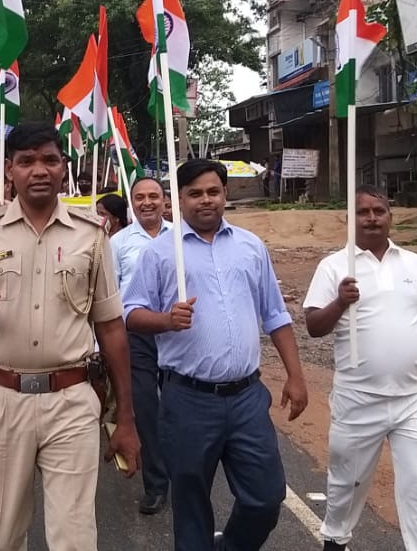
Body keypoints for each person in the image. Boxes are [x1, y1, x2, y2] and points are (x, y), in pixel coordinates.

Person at [0, 121, 141, 551]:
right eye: (27, 161)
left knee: (75, 539)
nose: (39, 170)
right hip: (0, 398)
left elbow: (110, 327)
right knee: (2, 536)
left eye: (50, 160)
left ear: (63, 167)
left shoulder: (92, 234)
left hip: (72, 400)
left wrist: (125, 418)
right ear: (9, 169)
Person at [122, 158, 308, 551]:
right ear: (179, 200)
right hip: (187, 399)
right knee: (191, 503)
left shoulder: (250, 247)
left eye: (213, 192)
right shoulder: (160, 253)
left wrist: (295, 374)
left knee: (265, 497)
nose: (205, 200)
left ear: (225, 194)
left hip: (246, 397)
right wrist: (166, 320)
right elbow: (131, 313)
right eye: (195, 194)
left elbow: (275, 313)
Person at [303, 185, 417, 551]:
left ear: (390, 217)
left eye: (379, 211)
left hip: (412, 400)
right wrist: (340, 302)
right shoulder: (334, 267)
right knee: (347, 483)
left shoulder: (414, 264)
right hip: (358, 400)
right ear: (349, 219)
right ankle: (335, 539)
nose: (371, 218)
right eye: (362, 212)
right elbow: (314, 327)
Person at [109, 176, 172, 516]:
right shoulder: (118, 243)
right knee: (145, 407)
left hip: (177, 332)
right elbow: (109, 294)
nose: (147, 202)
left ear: (164, 200)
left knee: (178, 405)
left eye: (153, 196)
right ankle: (156, 484)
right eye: (140, 197)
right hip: (136, 333)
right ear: (132, 203)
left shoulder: (180, 237)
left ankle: (186, 472)